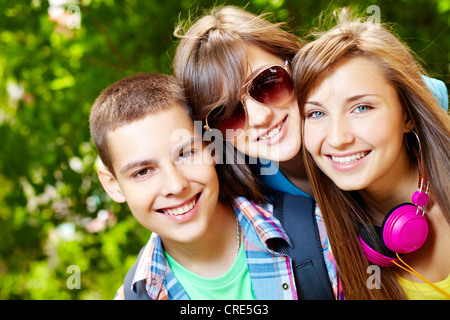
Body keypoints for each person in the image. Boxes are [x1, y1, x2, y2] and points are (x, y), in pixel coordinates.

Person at [173, 5, 448, 300]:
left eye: (267, 84)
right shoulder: (251, 189)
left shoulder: (395, 95)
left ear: (294, 65)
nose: (260, 116)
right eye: (227, 113)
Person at [89, 73, 299, 300]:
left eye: (186, 154)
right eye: (143, 171)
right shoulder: (136, 296)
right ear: (113, 186)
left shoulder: (317, 233)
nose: (176, 185)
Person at [292, 8, 450, 300]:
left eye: (361, 108)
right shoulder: (323, 250)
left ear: (408, 115)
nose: (338, 138)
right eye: (315, 113)